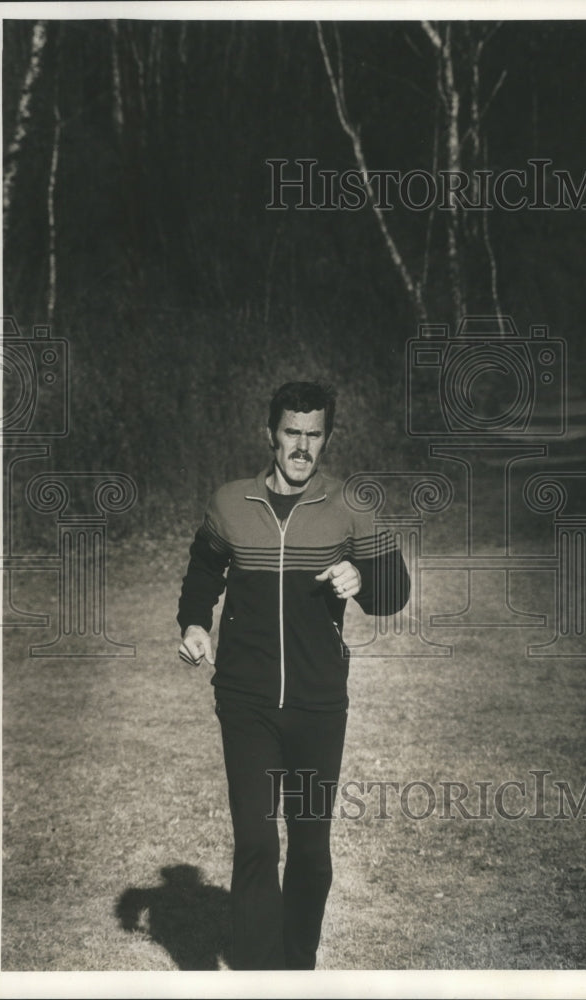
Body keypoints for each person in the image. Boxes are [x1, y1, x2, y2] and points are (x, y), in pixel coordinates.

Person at [177, 380, 410, 970]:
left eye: (314, 435)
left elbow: (395, 592)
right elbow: (203, 569)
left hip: (317, 705)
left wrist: (362, 580)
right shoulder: (230, 503)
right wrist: (195, 622)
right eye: (291, 433)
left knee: (309, 848)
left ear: (327, 439)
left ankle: (298, 966)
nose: (302, 447)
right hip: (245, 701)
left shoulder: (350, 506)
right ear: (271, 435)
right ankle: (261, 977)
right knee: (257, 843)